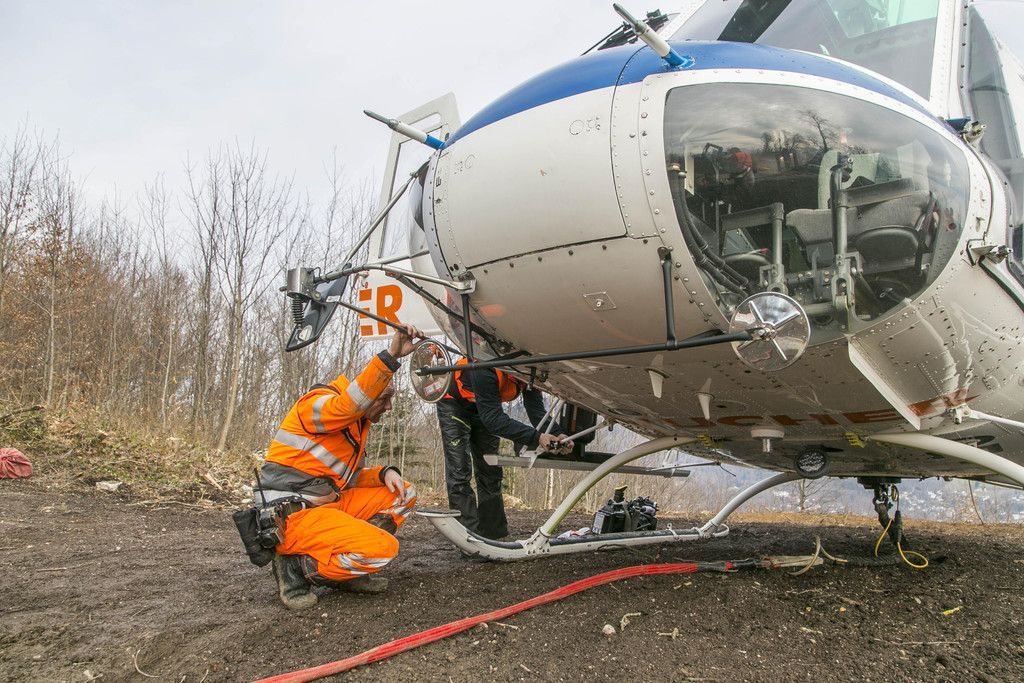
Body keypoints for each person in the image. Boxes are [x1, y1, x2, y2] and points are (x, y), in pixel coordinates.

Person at [254, 324, 421, 610]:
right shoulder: (317, 405)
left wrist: (384, 473)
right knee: (384, 548)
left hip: (327, 505)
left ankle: (347, 569)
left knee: (403, 493)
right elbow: (347, 405)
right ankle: (295, 567)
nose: (389, 408)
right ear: (366, 395)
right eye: (384, 399)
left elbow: (349, 480)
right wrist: (392, 356)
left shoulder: (355, 429)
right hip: (294, 516)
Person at [436, 362, 572, 540]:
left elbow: (536, 411)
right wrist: (537, 437)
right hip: (455, 404)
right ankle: (468, 539)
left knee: (490, 471)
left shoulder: (527, 371)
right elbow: (494, 421)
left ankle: (495, 535)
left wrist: (558, 434)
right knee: (459, 473)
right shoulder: (485, 367)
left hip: (486, 408)